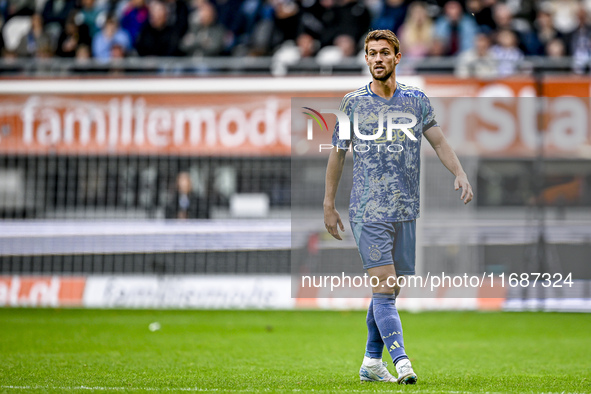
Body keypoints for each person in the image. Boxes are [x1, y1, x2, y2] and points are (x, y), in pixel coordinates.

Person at [323, 29, 473, 385]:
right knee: (385, 289)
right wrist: (329, 204)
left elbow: (438, 141)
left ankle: (371, 362)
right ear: (365, 58)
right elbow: (337, 154)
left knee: (389, 291)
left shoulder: (416, 101)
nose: (377, 58)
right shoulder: (352, 103)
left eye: (384, 53)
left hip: (405, 210)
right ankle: (402, 361)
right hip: (367, 210)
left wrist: (460, 172)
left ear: (396, 58)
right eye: (372, 53)